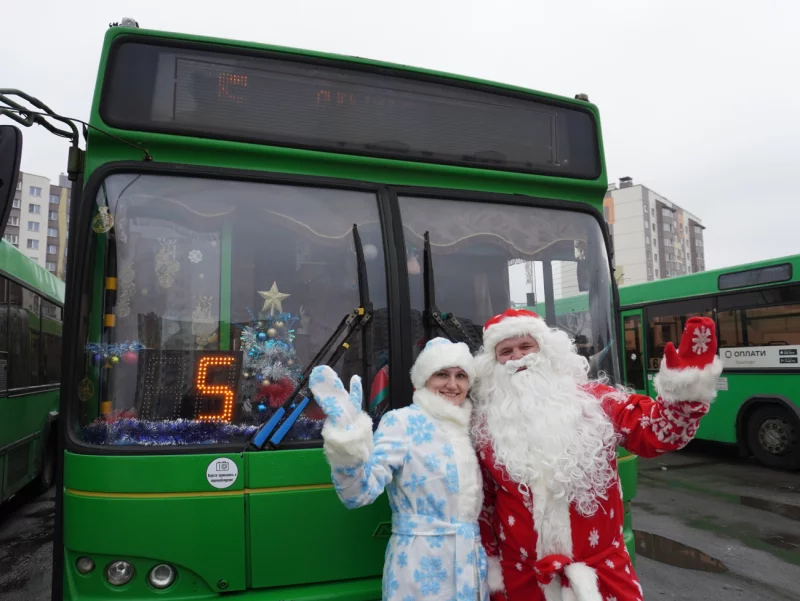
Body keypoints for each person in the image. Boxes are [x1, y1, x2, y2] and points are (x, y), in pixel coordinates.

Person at [470, 308, 722, 601]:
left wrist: (685, 391)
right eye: (506, 351)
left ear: (547, 351)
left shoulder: (597, 402)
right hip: (522, 578)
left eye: (526, 346)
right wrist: (491, 566)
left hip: (600, 576)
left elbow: (659, 433)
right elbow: (485, 504)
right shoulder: (484, 425)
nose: (517, 357)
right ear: (494, 362)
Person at [309, 338, 489, 601]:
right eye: (442, 374)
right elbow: (357, 494)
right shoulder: (402, 422)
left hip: (470, 565)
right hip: (419, 564)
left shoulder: (474, 429)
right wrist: (348, 441)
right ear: (423, 378)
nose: (452, 384)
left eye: (461, 375)